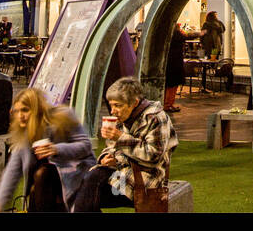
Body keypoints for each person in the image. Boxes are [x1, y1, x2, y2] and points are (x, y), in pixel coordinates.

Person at [72, 77, 178, 213]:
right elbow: (111, 148)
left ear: (134, 103)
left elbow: (153, 156)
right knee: (81, 185)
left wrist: (120, 138)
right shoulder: (121, 118)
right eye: (111, 105)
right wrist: (108, 158)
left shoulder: (156, 118)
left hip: (148, 183)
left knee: (92, 183)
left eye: (118, 105)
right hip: (121, 176)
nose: (113, 111)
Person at [0, 88, 93, 213]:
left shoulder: (63, 116)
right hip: (43, 189)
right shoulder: (24, 134)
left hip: (75, 179)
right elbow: (12, 172)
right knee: (40, 179)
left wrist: (57, 149)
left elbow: (85, 146)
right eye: (16, 111)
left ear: (36, 109)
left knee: (43, 173)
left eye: (25, 110)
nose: (20, 116)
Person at [163, 23, 185, 113]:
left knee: (169, 85)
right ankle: (168, 104)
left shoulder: (166, 34)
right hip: (175, 63)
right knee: (172, 85)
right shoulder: (176, 34)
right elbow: (185, 37)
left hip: (168, 62)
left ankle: (167, 103)